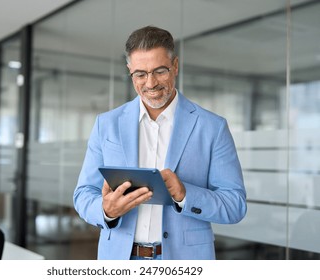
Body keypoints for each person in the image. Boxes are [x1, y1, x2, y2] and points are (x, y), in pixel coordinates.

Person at [73, 25, 246, 260]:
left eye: (160, 71)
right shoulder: (107, 124)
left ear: (175, 66)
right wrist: (106, 211)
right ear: (129, 72)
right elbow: (84, 193)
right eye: (140, 74)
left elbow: (234, 205)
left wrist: (185, 194)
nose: (151, 83)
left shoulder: (212, 127)